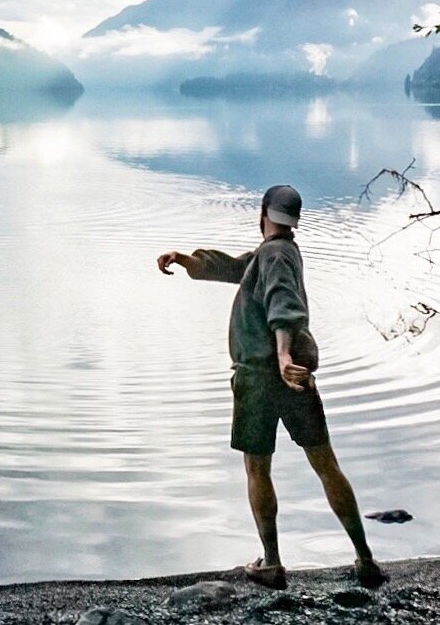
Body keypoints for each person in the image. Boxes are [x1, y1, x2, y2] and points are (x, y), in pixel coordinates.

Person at [156, 184, 386, 590]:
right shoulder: (279, 251)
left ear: (262, 212)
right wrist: (186, 259)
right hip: (293, 377)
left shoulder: (274, 255)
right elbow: (234, 268)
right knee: (325, 464)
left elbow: (283, 303)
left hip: (264, 377)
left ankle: (272, 562)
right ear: (293, 221)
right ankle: (364, 559)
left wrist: (281, 355)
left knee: (258, 467)